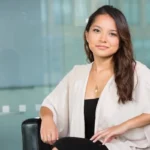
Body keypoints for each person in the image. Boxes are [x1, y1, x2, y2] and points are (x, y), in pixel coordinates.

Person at [40, 5, 150, 150]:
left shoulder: (137, 71)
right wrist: (47, 119)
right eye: (97, 31)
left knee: (64, 145)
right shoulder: (77, 74)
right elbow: (49, 105)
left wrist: (122, 127)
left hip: (119, 147)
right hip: (83, 146)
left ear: (121, 39)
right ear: (87, 35)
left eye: (112, 34)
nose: (103, 39)